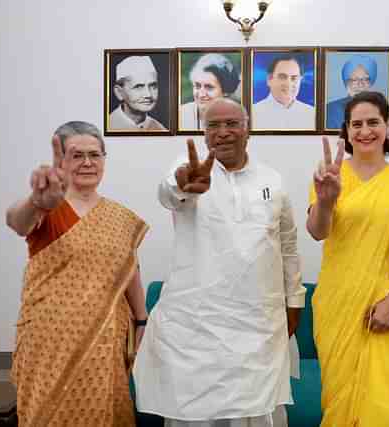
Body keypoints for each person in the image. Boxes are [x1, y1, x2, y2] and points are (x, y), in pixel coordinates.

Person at [133, 98, 305, 427]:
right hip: (196, 327)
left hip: (256, 327)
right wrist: (184, 184)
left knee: (256, 411)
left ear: (247, 129)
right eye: (213, 126)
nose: (223, 132)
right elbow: (169, 192)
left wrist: (294, 298)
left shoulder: (272, 180)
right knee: (195, 415)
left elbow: (287, 244)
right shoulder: (189, 167)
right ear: (203, 133)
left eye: (231, 124)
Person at [6, 121, 149, 426]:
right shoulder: (47, 207)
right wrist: (35, 201)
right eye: (77, 155)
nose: (87, 162)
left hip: (105, 338)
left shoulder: (121, 217)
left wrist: (141, 319)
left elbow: (130, 268)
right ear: (62, 161)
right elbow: (16, 222)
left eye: (95, 155)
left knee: (104, 412)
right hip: (50, 340)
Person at [306, 91, 389, 426]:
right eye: (355, 124)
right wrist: (327, 200)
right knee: (341, 408)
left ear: (388, 127)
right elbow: (317, 231)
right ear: (345, 131)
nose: (364, 131)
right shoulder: (329, 175)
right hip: (339, 307)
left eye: (373, 122)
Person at [179, 53, 240, 130]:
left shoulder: (237, 119)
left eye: (209, 87)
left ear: (225, 91)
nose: (201, 94)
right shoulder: (181, 115)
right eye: (197, 86)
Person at [252, 54, 315, 130]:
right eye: (282, 77)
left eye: (294, 78)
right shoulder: (253, 113)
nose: (288, 84)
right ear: (269, 79)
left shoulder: (312, 114)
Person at [109, 55, 168, 131]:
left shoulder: (160, 129)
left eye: (153, 86)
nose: (148, 94)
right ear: (119, 92)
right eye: (138, 87)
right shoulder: (109, 125)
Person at [325, 54, 378, 129]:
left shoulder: (379, 108)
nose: (360, 84)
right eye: (354, 79)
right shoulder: (332, 109)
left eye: (365, 79)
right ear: (346, 83)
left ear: (371, 83)